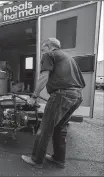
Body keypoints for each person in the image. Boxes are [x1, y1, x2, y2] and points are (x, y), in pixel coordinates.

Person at [21, 38, 85, 169]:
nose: (42, 51)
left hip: (61, 95)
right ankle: (58, 159)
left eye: (43, 48)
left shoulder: (49, 55)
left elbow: (44, 77)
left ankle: (36, 160)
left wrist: (34, 96)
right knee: (60, 128)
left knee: (44, 129)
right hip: (77, 96)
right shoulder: (69, 58)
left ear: (49, 46)